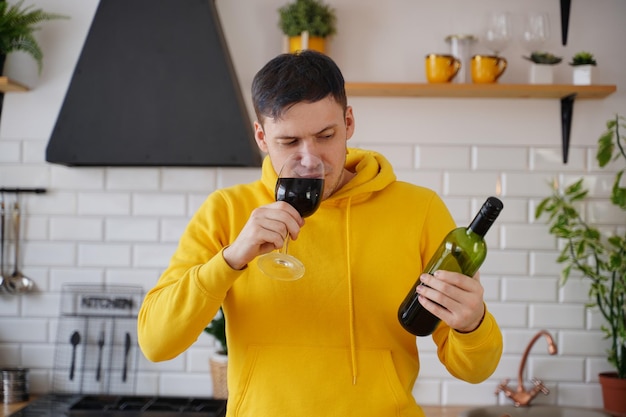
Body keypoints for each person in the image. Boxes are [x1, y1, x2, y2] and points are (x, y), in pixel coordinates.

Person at [138, 50, 502, 417]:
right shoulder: (226, 210)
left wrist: (473, 323)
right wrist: (231, 259)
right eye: (289, 142)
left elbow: (474, 370)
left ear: (349, 121)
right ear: (262, 137)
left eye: (325, 135)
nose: (310, 159)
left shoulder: (420, 210)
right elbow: (156, 343)